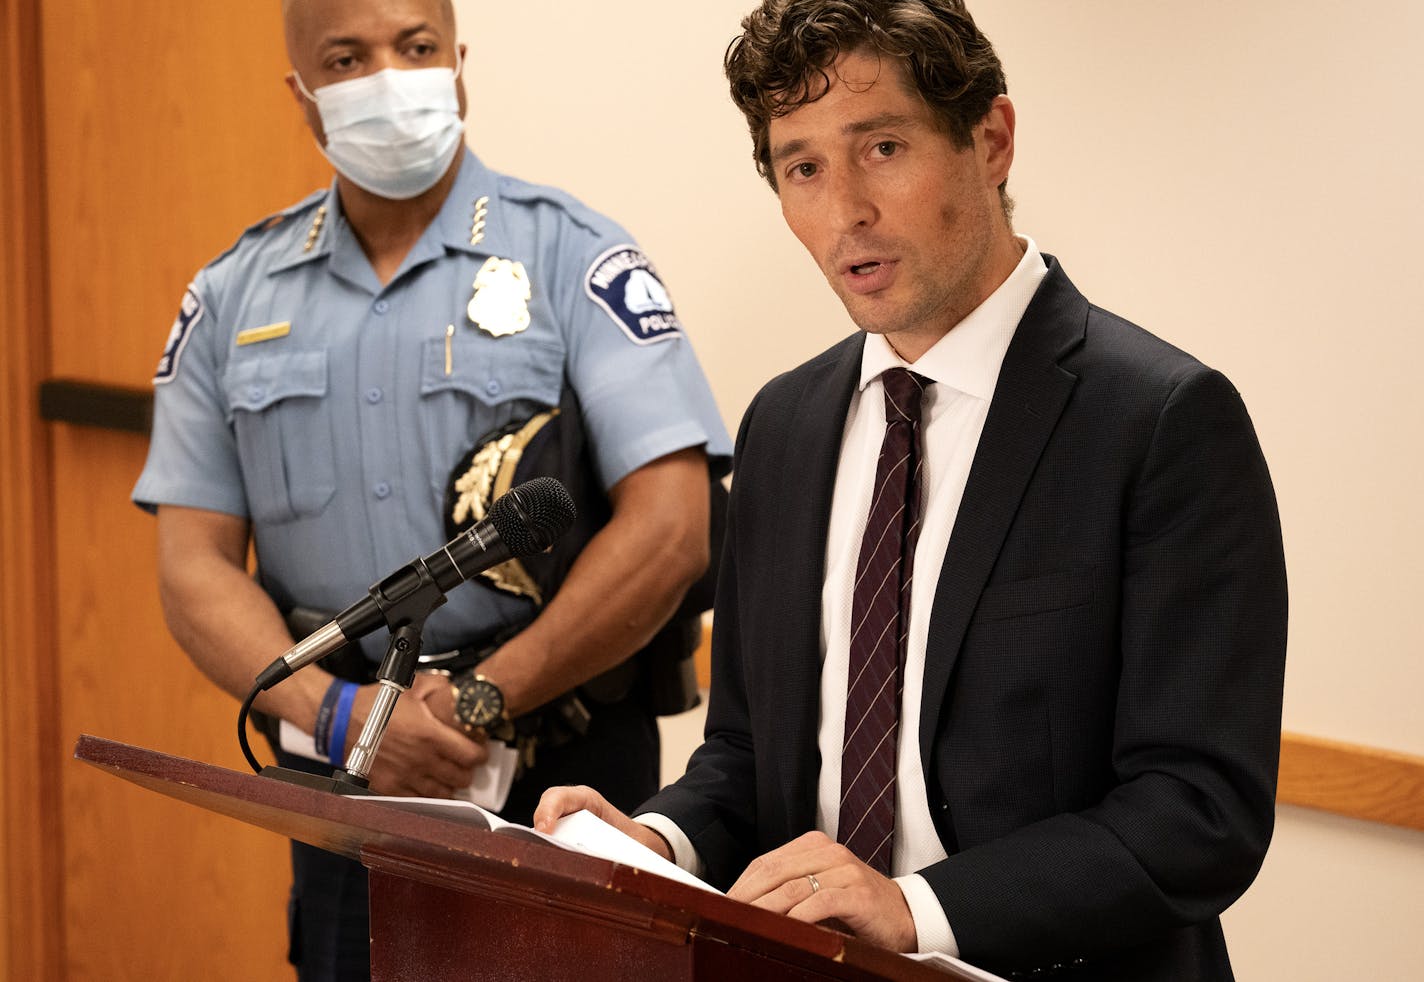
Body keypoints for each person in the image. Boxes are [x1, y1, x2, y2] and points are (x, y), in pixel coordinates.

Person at [535, 2, 1288, 979]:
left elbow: (1199, 809)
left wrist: (916, 909)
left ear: (990, 139)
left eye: (880, 146)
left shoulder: (1160, 421)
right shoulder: (783, 423)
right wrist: (656, 839)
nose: (843, 208)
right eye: (801, 167)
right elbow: (746, 760)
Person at [132, 0, 731, 979]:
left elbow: (673, 527)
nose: (389, 76)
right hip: (348, 787)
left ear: (458, 63)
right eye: (347, 56)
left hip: (562, 781)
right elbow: (191, 564)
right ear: (303, 95)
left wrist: (483, 700)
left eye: (414, 48)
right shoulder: (231, 295)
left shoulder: (573, 256)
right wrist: (335, 714)